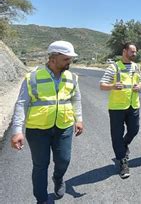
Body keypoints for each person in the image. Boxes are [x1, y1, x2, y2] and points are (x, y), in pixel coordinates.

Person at [10, 41, 83, 203]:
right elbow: (22, 103)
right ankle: (41, 199)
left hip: (63, 127)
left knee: (64, 160)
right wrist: (17, 131)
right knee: (40, 165)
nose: (69, 62)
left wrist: (79, 119)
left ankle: (58, 178)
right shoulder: (32, 78)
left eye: (70, 59)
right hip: (37, 130)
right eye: (66, 59)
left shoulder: (72, 77)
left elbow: (76, 99)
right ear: (53, 59)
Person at [99, 42, 141, 179]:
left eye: (135, 52)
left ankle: (122, 146)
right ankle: (122, 161)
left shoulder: (136, 66)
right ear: (124, 51)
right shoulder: (114, 67)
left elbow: (140, 81)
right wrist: (112, 86)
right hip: (117, 107)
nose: (134, 54)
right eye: (132, 52)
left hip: (133, 104)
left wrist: (139, 86)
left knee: (134, 129)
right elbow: (102, 85)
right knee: (117, 135)